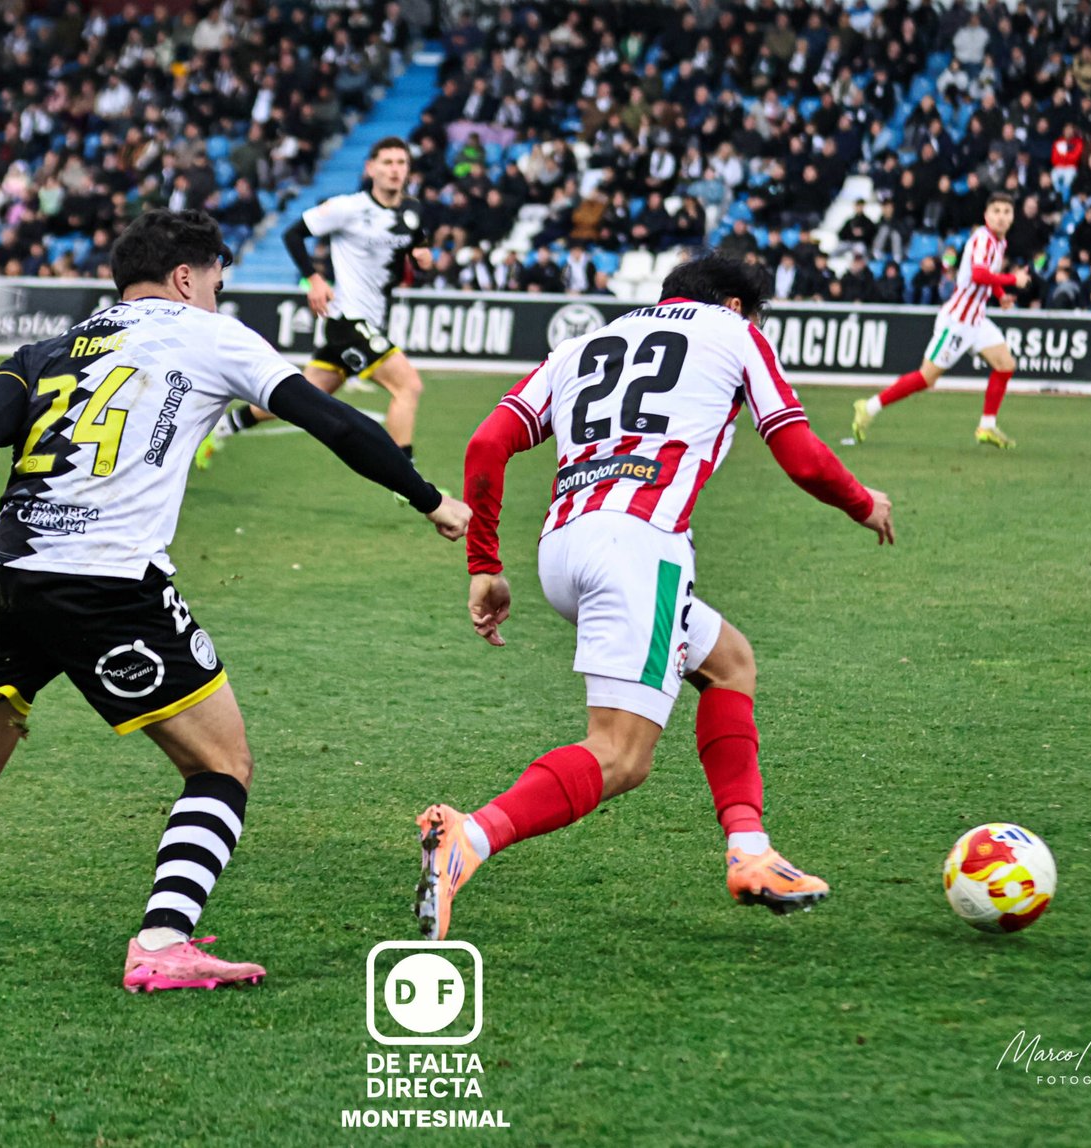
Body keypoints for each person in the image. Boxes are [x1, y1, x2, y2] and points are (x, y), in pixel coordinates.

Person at [0, 210, 472, 991]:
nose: (216, 296)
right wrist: (426, 495)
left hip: (6, 574)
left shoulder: (47, 349)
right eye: (217, 283)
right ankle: (164, 940)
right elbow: (331, 419)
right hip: (105, 583)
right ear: (186, 277)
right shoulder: (210, 333)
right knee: (221, 765)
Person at [413, 253, 895, 940]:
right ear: (734, 306)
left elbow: (489, 441)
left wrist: (484, 563)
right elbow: (797, 448)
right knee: (620, 755)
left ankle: (751, 852)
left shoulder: (580, 345)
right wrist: (861, 502)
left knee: (729, 661)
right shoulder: (733, 334)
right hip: (639, 547)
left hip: (565, 547)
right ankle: (471, 838)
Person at [199, 137, 432, 476]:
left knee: (299, 400)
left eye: (401, 163)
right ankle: (407, 479)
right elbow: (292, 234)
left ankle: (225, 425)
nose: (395, 170)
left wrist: (423, 257)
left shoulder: (411, 210)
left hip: (372, 321)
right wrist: (314, 279)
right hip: (348, 320)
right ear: (371, 169)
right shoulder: (348, 208)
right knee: (408, 386)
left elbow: (417, 244)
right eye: (387, 163)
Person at [852, 192, 1029, 449]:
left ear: (1013, 217)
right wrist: (1013, 281)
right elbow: (979, 274)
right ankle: (868, 407)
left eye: (1006, 212)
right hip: (957, 321)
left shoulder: (999, 243)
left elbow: (989, 275)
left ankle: (987, 426)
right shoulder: (983, 239)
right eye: (997, 211)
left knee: (1005, 365)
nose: (1002, 217)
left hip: (977, 319)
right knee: (927, 378)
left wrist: (1001, 295)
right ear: (986, 215)